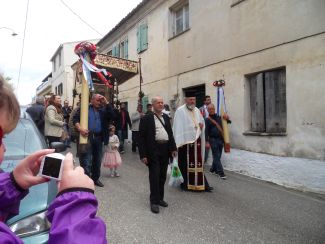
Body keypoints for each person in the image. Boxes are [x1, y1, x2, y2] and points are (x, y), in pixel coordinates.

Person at [0, 75, 107, 243]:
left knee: (95, 160)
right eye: (1, 136)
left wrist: (11, 183)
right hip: (62, 135)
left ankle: (90, 178)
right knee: (85, 161)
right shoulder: (57, 109)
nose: (5, 147)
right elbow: (64, 121)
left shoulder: (100, 110)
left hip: (95, 138)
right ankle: (81, 179)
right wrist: (75, 204)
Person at [138, 96, 177, 214]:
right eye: (158, 103)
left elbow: (170, 134)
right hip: (153, 149)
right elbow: (141, 138)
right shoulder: (147, 118)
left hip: (165, 149)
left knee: (162, 176)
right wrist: (143, 155)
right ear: (153, 105)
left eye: (162, 102)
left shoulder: (166, 117)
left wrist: (173, 148)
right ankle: (154, 201)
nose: (161, 104)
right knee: (154, 175)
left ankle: (160, 198)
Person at [173, 92, 213, 192]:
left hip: (196, 143)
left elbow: (202, 123)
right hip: (185, 143)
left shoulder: (197, 110)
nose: (192, 101)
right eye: (190, 99)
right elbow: (177, 127)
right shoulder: (180, 111)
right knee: (185, 164)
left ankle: (201, 184)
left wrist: (202, 127)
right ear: (186, 100)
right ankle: (185, 184)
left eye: (194, 100)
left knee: (198, 163)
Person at [73, 94, 114, 187]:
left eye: (101, 100)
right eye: (98, 100)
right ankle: (86, 180)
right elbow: (75, 119)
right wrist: (80, 129)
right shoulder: (84, 108)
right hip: (87, 137)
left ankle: (95, 178)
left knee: (97, 160)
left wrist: (106, 102)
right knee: (86, 160)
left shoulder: (104, 110)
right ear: (92, 100)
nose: (100, 102)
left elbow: (112, 115)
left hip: (99, 138)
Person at [205, 103, 229, 179]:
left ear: (215, 109)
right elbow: (206, 131)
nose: (212, 110)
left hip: (220, 139)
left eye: (213, 109)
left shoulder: (219, 117)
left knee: (218, 156)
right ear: (208, 110)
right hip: (213, 139)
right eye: (210, 109)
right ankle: (221, 173)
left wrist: (227, 118)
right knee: (216, 156)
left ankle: (212, 169)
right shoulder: (207, 119)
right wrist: (207, 141)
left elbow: (227, 122)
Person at [199, 95, 212, 163]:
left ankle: (205, 160)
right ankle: (203, 159)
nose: (209, 101)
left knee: (209, 145)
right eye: (208, 100)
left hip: (211, 129)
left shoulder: (212, 108)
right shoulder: (200, 109)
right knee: (204, 145)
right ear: (204, 101)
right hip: (203, 130)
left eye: (210, 99)